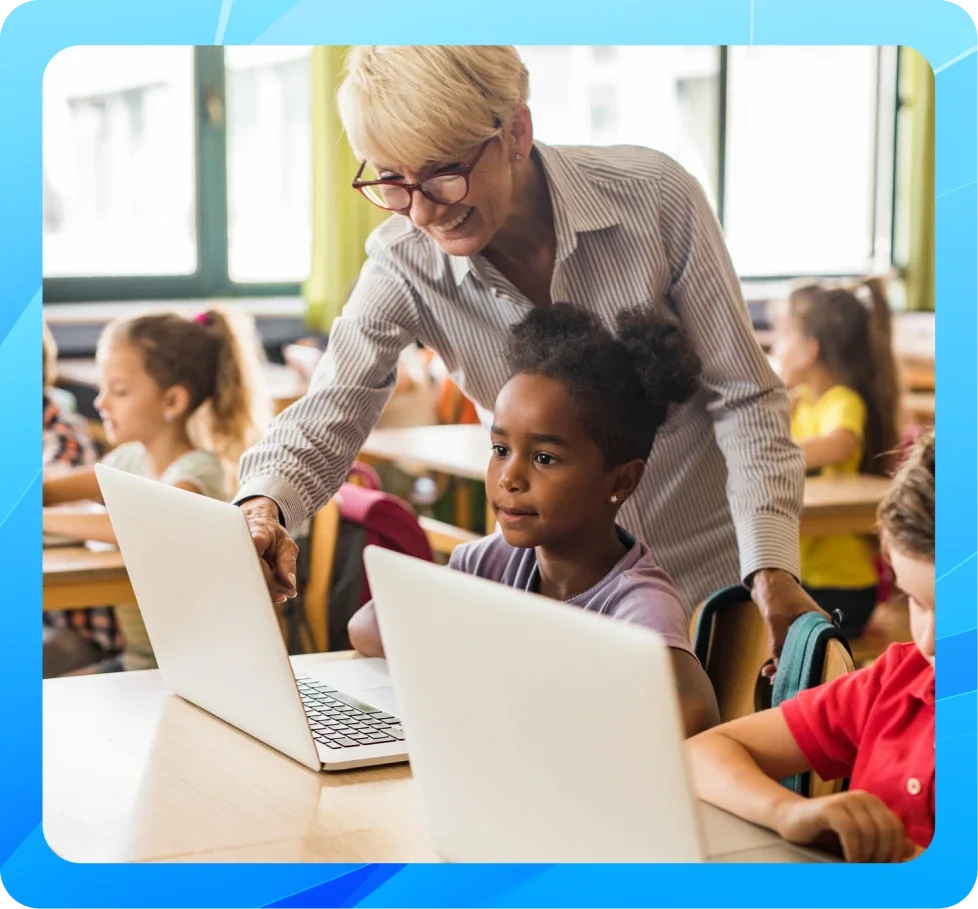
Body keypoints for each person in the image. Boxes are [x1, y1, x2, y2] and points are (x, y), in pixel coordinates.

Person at [233, 45, 814, 668]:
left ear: (515, 131)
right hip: (558, 604)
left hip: (712, 589)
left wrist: (771, 568)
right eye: (393, 182)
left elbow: (745, 395)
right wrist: (263, 506)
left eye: (442, 172)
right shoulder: (404, 260)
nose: (423, 212)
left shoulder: (656, 199)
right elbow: (328, 413)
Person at [348, 303, 720, 737]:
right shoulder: (491, 562)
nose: (509, 478)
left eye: (544, 458)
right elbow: (368, 626)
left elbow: (692, 709)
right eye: (500, 449)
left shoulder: (636, 602)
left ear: (621, 479)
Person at [685, 430, 934, 863]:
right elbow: (699, 754)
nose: (929, 641)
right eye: (916, 601)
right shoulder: (897, 679)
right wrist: (788, 811)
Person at [43, 308, 268, 670]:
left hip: (194, 668)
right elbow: (49, 490)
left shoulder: (199, 472)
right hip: (138, 660)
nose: (101, 402)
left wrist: (40, 520)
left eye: (119, 391)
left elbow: (141, 527)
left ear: (172, 402)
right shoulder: (129, 460)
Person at [773, 277, 900, 637]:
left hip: (843, 588)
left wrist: (773, 454)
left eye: (783, 337)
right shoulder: (804, 403)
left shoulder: (841, 400)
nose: (776, 347)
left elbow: (840, 444)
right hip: (807, 579)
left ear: (809, 350)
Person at [42, 320, 121, 678]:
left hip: (78, 626)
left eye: (117, 391)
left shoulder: (62, 437)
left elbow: (42, 494)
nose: (100, 402)